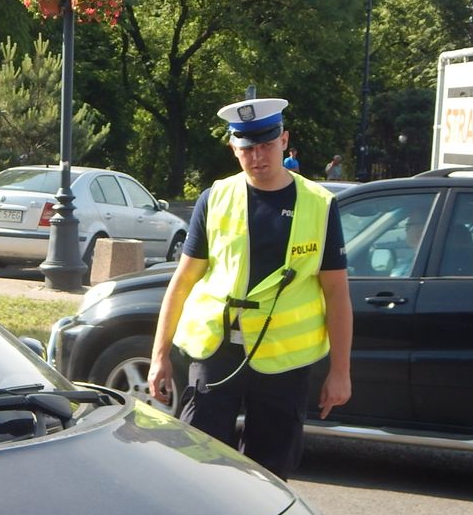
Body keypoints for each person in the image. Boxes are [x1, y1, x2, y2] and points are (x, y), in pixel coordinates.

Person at [147, 97, 353, 481]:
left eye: (266, 145)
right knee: (198, 465)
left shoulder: (319, 205)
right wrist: (159, 355)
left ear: (284, 140)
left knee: (270, 474)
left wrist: (340, 371)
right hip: (216, 352)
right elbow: (183, 281)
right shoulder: (215, 198)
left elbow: (337, 293)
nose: (257, 157)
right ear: (233, 148)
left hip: (284, 362)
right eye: (247, 148)